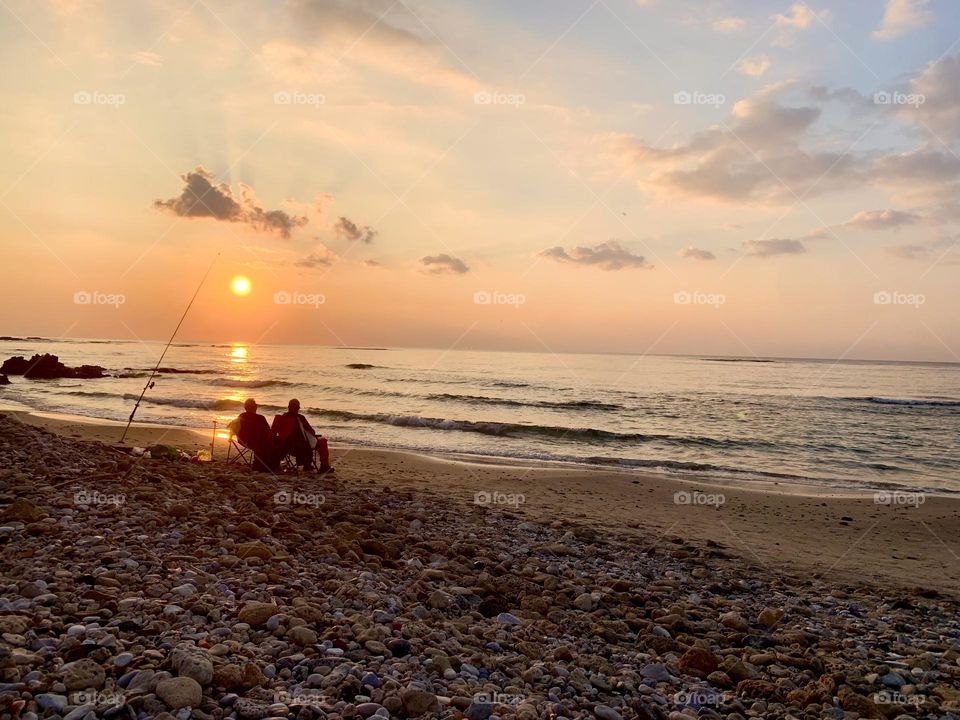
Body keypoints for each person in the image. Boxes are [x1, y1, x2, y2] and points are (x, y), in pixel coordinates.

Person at [271, 398, 334, 473]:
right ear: (298, 408)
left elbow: (273, 434)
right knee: (323, 441)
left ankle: (308, 465)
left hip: (286, 448)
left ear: (288, 407)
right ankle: (324, 466)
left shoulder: (280, 419)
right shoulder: (300, 418)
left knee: (306, 442)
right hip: (302, 448)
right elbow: (312, 432)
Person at [231, 398, 277, 472]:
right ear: (254, 407)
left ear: (245, 408)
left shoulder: (241, 416)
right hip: (259, 443)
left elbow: (234, 429)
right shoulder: (260, 418)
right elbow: (268, 432)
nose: (256, 406)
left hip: (243, 441)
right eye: (255, 405)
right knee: (272, 442)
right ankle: (269, 465)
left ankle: (262, 463)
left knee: (263, 442)